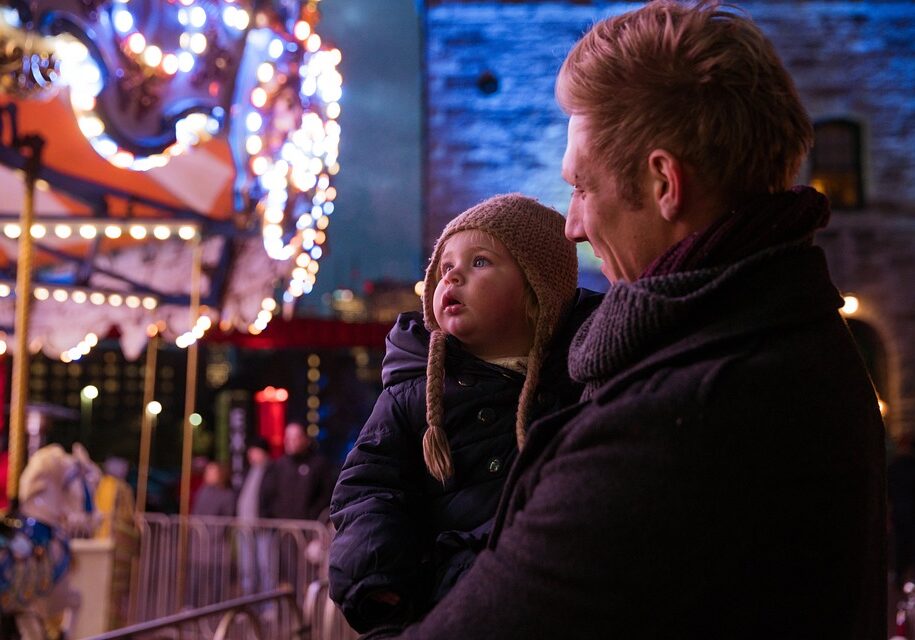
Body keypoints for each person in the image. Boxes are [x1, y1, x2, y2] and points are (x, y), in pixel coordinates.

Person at [367, 2, 887, 638]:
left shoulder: (677, 426)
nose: (573, 227)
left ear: (665, 182)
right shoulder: (789, 331)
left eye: (582, 188)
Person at [329, 193, 600, 633]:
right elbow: (367, 489)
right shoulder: (410, 393)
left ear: (538, 290)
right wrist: (378, 574)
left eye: (479, 262)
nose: (452, 274)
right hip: (444, 604)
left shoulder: (583, 378)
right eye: (444, 267)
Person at [259, 421, 334, 521]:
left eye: (295, 438)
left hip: (309, 529)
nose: (290, 442)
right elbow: (267, 495)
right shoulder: (278, 466)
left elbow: (326, 495)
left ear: (306, 439)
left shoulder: (318, 465)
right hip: (282, 529)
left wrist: (312, 516)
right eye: (288, 438)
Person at [237, 436, 272, 596]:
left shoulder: (272, 471)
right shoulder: (248, 471)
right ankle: (249, 604)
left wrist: (268, 516)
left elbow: (275, 497)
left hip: (263, 528)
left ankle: (269, 606)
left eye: (254, 451)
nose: (250, 454)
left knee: (266, 567)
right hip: (245, 528)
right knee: (246, 567)